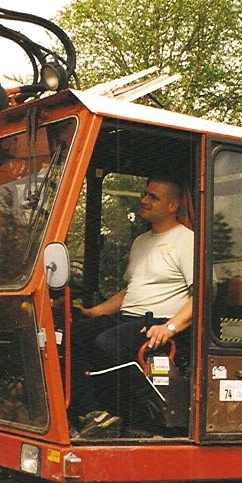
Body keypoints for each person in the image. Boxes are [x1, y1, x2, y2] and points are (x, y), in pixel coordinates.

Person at [75, 177, 193, 430]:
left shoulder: (187, 241)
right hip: (128, 319)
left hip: (159, 323)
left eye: (153, 197)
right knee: (74, 335)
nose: (144, 200)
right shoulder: (141, 241)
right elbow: (130, 290)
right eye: (145, 194)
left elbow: (204, 294)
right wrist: (94, 312)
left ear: (172, 206)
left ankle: (125, 416)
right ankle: (92, 414)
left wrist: (170, 327)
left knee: (107, 345)